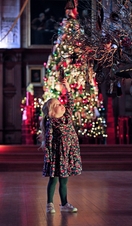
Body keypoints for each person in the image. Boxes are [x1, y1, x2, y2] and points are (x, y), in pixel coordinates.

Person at [40, 78, 82, 213]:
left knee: (64, 181)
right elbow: (49, 140)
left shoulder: (68, 116)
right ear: (52, 112)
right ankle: (49, 204)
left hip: (69, 154)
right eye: (58, 104)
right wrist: (50, 156)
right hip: (57, 155)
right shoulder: (52, 122)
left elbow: (71, 102)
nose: (62, 104)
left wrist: (68, 88)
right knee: (54, 179)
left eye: (60, 102)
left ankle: (64, 204)